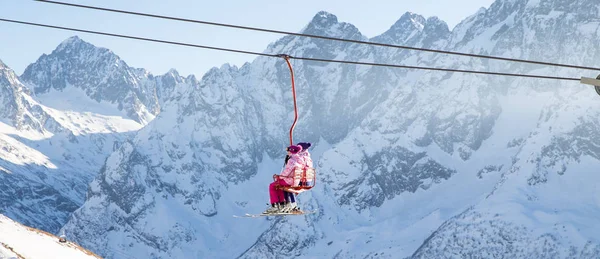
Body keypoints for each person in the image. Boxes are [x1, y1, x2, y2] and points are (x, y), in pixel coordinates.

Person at [263, 145, 303, 214]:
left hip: (289, 180)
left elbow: (287, 172)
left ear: (292, 151)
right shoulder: (299, 160)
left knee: (272, 186)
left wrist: (279, 177)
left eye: (288, 150)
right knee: (279, 186)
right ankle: (282, 204)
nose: (287, 152)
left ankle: (275, 206)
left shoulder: (291, 160)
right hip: (294, 181)